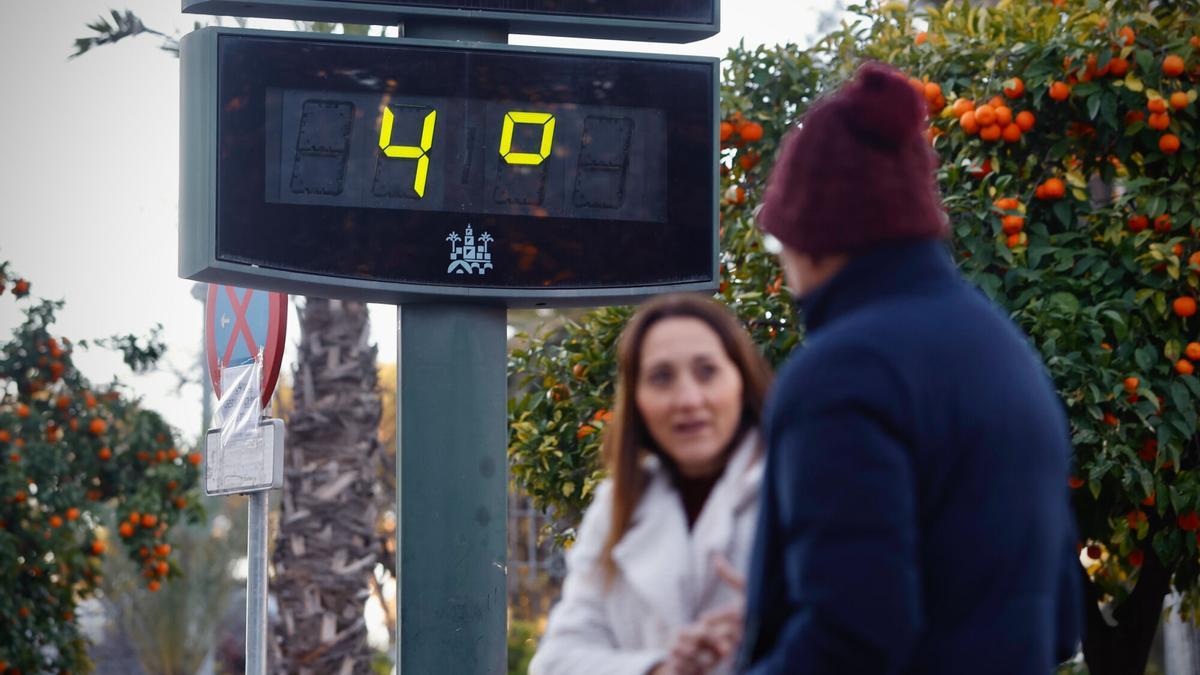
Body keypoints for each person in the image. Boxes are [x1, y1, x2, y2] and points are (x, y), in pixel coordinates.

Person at [737, 62, 1082, 674]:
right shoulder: (1003, 351)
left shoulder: (843, 375)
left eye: (777, 240)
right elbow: (1059, 623)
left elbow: (851, 641)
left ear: (815, 236)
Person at [530, 293, 773, 675]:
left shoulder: (796, 485)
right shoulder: (616, 506)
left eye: (707, 371)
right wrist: (661, 668)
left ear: (740, 379)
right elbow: (556, 662)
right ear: (636, 400)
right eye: (661, 378)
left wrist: (769, 626)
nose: (688, 399)